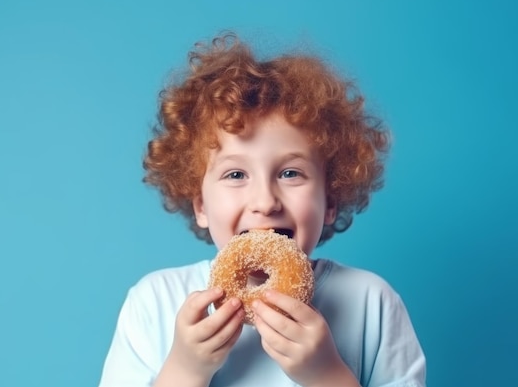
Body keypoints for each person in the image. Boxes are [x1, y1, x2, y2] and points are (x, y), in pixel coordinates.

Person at [98, 33, 426, 387]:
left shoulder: (371, 302)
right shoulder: (155, 302)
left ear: (329, 201)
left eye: (290, 173)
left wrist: (327, 374)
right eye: (236, 174)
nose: (265, 202)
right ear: (201, 206)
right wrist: (185, 370)